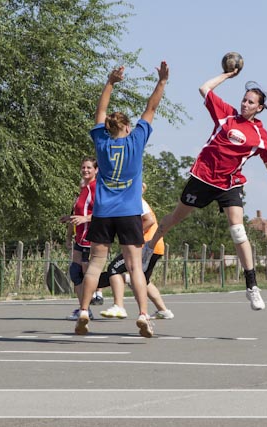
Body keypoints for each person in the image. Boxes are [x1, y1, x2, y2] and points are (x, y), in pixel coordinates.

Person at [141, 70, 267, 311]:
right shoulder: (226, 115)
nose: (245, 104)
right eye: (244, 99)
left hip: (229, 183)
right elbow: (204, 88)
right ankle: (150, 247)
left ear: (259, 108)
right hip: (202, 177)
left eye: (250, 102)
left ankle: (252, 286)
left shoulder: (259, 135)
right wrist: (227, 75)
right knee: (175, 218)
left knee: (238, 230)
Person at [74, 61, 169, 338]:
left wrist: (110, 83)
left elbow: (99, 112)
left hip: (103, 212)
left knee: (95, 264)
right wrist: (162, 81)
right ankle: (143, 314)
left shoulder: (102, 143)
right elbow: (151, 108)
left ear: (109, 127)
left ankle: (83, 311)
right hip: (129, 212)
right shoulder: (135, 140)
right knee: (134, 266)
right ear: (127, 126)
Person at [100, 183, 173, 320]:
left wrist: (132, 235)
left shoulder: (137, 200)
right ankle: (163, 310)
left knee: (114, 268)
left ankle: (119, 306)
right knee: (143, 280)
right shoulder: (132, 200)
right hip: (155, 246)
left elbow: (149, 220)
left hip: (146, 246)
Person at [59, 156, 99, 321]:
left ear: (96, 170)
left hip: (91, 238)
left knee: (87, 273)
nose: (85, 170)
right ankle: (85, 309)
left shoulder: (97, 188)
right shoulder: (83, 189)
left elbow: (103, 213)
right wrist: (69, 219)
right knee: (75, 273)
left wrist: (85, 219)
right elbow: (79, 213)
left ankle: (101, 292)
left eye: (89, 167)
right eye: (83, 167)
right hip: (80, 237)